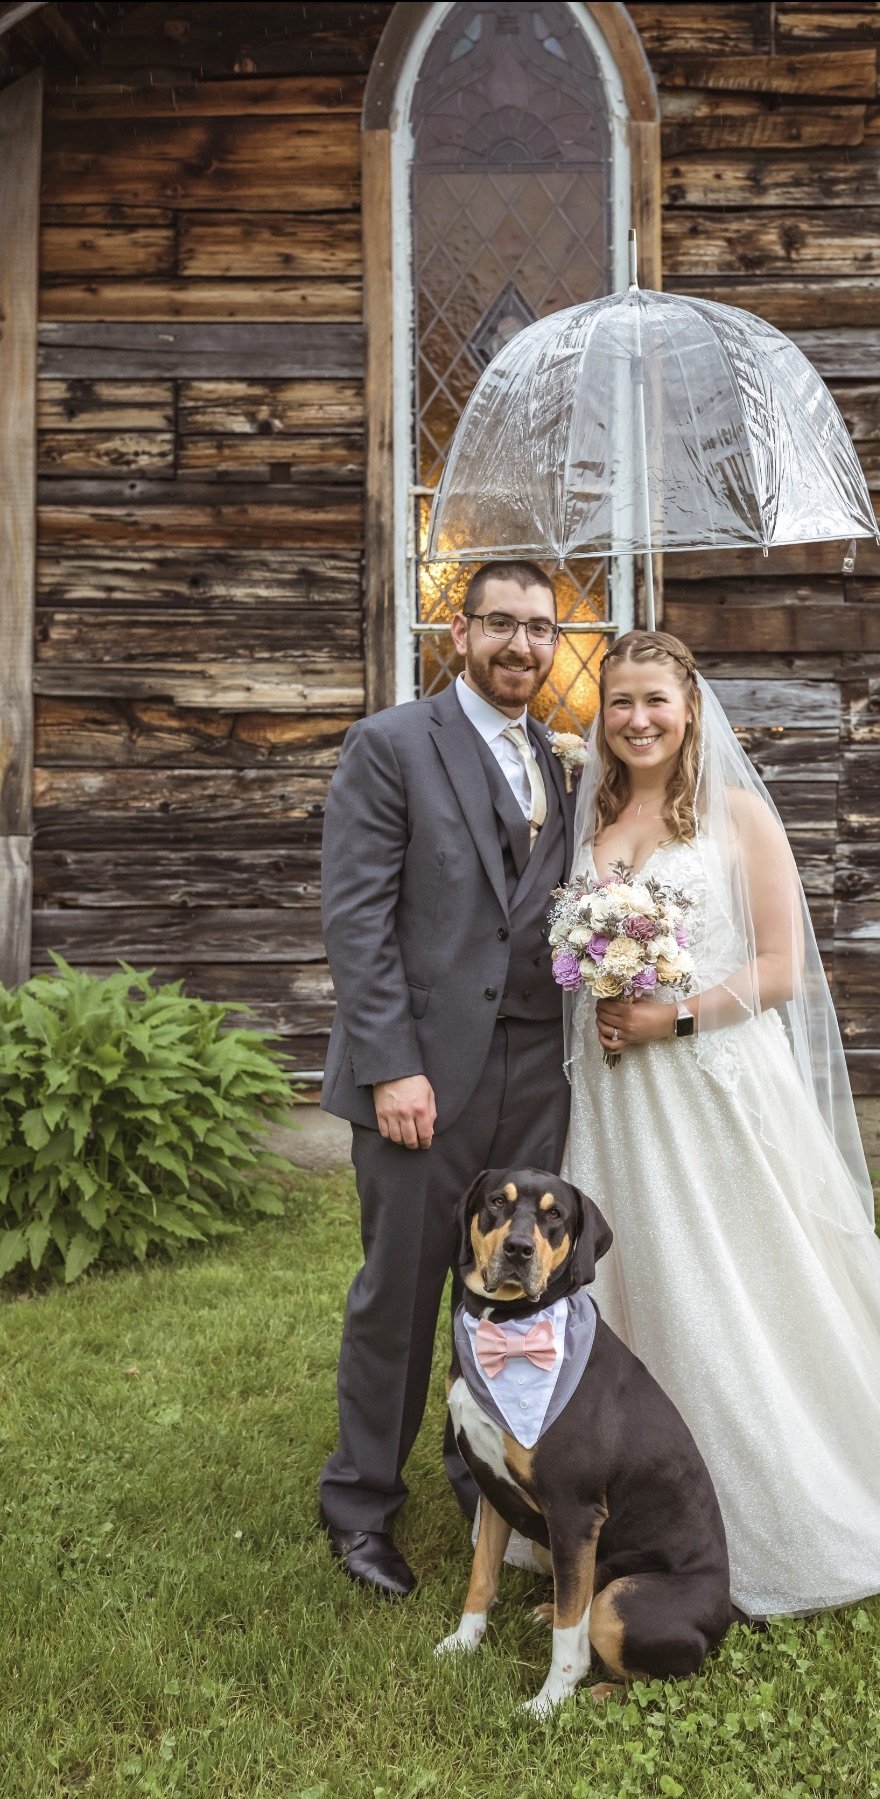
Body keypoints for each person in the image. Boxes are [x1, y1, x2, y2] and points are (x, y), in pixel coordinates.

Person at [562, 630, 880, 1619]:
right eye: (620, 701)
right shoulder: (594, 815)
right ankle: (636, 1500)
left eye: (655, 700)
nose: (637, 718)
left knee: (745, 1281)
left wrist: (666, 1014)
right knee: (641, 1279)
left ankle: (789, 1497)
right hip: (623, 1099)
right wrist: (602, 994)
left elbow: (780, 971)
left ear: (690, 709)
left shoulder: (738, 815)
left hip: (714, 1086)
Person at [317, 560, 574, 1598]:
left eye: (541, 629)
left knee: (507, 1292)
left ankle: (482, 1476)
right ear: (458, 634)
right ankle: (359, 1503)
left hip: (535, 1068)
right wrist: (391, 1067)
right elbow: (357, 918)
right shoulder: (391, 744)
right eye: (501, 625)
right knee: (403, 1291)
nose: (522, 645)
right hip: (422, 1073)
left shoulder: (554, 759)